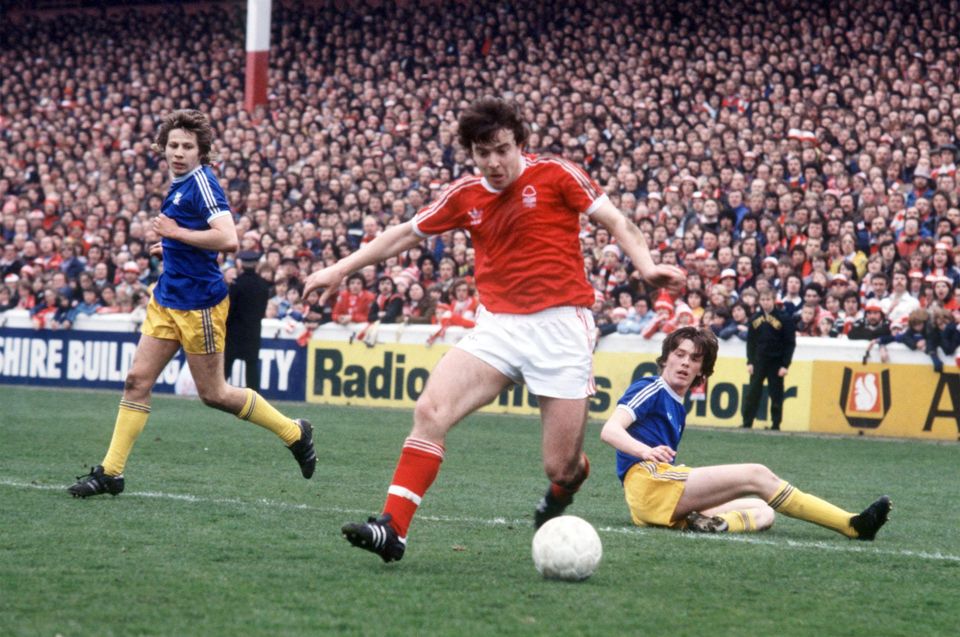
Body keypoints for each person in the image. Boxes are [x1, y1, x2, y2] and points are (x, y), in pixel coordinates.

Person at [302, 97, 683, 562]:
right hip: (498, 327)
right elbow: (403, 234)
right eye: (483, 154)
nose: (494, 162)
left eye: (502, 149)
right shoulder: (465, 194)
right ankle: (393, 529)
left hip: (561, 329)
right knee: (431, 410)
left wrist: (645, 265)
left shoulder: (558, 175)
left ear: (520, 143)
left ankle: (562, 492)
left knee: (560, 466)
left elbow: (615, 220)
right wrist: (340, 270)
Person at [68, 110, 316, 498]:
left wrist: (174, 233)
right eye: (173, 145)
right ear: (163, 148)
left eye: (187, 146)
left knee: (214, 394)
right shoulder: (180, 181)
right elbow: (192, 236)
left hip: (198, 304)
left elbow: (229, 239)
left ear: (202, 152)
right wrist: (170, 245)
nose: (179, 152)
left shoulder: (202, 183)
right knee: (136, 381)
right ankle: (111, 473)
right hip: (168, 295)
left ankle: (294, 432)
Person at [600, 326, 891, 540]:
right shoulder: (652, 387)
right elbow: (610, 430)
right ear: (666, 358)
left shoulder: (678, 406)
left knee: (763, 510)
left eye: (695, 358)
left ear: (703, 369)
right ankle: (851, 524)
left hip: (659, 494)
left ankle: (711, 524)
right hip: (648, 484)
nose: (685, 362)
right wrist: (644, 451)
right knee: (757, 474)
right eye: (679, 354)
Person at [741, 289, 795, 431]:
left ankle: (775, 424)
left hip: (776, 363)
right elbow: (751, 342)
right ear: (759, 301)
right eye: (763, 300)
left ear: (774, 300)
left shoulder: (784, 318)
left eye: (768, 299)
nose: (765, 302)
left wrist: (785, 364)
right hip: (758, 361)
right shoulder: (754, 318)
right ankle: (747, 423)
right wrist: (750, 361)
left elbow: (790, 343)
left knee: (776, 394)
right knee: (753, 392)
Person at [224, 250, 272, 390]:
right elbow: (262, 310)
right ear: (256, 264)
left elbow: (230, 310)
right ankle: (254, 396)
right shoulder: (263, 285)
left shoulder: (236, 284)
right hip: (253, 330)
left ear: (241, 264)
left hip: (234, 331)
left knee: (227, 362)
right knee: (251, 364)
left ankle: (219, 393)